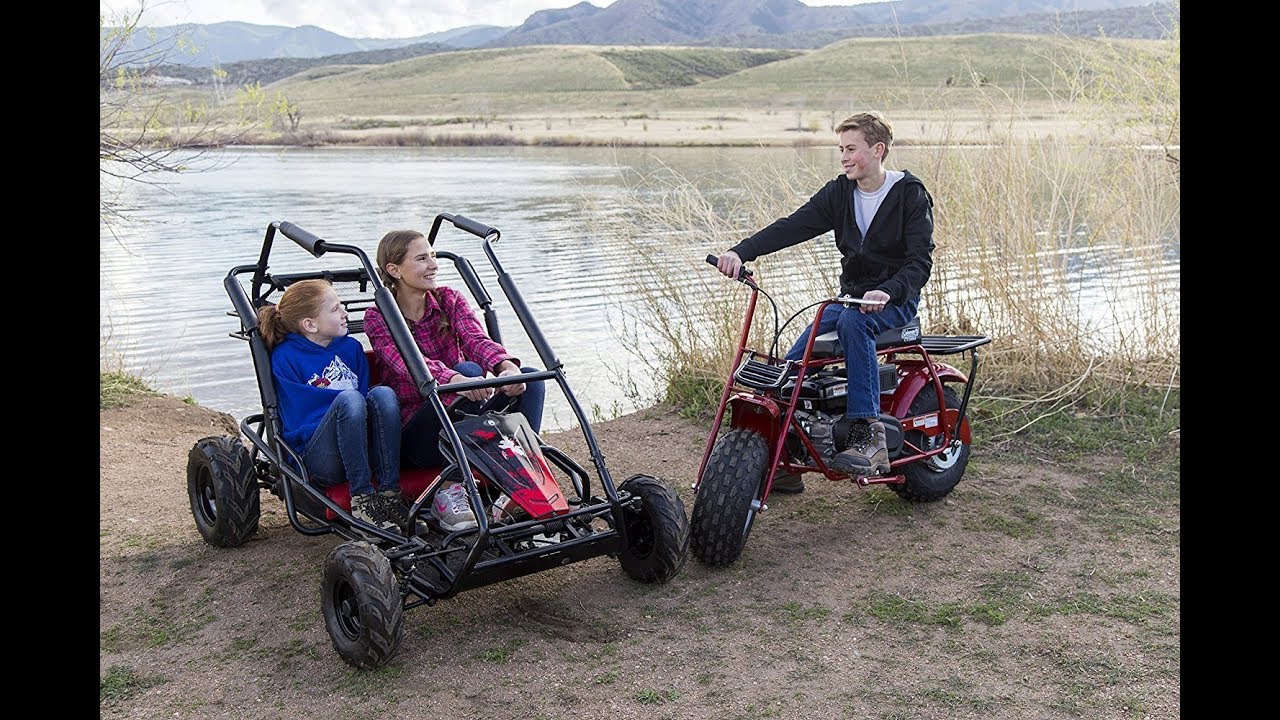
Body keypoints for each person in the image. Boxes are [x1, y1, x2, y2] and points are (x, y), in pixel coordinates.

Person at [713, 111, 934, 491]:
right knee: (792, 367)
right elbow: (793, 225)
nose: (844, 157)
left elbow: (920, 262)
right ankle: (783, 453)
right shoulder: (839, 193)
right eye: (841, 149)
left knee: (851, 322)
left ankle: (869, 436)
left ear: (878, 150)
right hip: (848, 302)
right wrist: (741, 251)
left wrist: (890, 290)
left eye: (851, 149)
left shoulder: (909, 195)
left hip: (895, 303)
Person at [362, 229, 547, 531]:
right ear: (394, 270)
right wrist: (455, 378)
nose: (433, 264)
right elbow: (408, 363)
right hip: (419, 435)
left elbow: (475, 338)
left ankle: (521, 477)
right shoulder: (378, 316)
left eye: (433, 256)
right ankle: (449, 488)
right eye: (422, 259)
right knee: (470, 374)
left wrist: (504, 367)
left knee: (530, 377)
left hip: (463, 418)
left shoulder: (449, 299)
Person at [256, 279, 405, 530]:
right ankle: (363, 500)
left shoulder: (351, 348)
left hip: (358, 444)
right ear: (310, 324)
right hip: (318, 454)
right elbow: (299, 419)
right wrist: (343, 408)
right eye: (335, 309)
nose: (345, 313)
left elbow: (366, 400)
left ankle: (389, 495)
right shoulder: (286, 357)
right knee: (349, 399)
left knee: (384, 394)